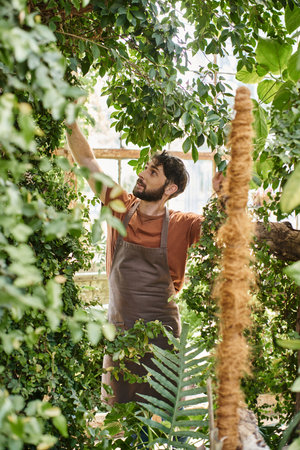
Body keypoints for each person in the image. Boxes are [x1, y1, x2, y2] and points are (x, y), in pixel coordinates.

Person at [66, 121, 219, 406]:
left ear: (170, 188)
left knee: (163, 425)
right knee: (118, 420)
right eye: (145, 168)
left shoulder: (182, 225)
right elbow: (87, 161)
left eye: (152, 172)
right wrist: (68, 121)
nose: (141, 174)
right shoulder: (119, 205)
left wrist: (224, 193)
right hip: (121, 334)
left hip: (162, 340)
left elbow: (223, 228)